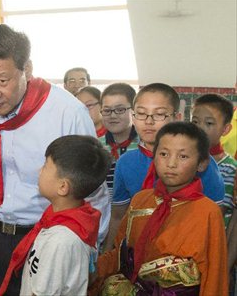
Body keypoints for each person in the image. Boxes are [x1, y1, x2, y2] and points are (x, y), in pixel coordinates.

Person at [0, 24, 109, 295]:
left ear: (27, 70)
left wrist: (88, 249)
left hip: (48, 240)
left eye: (2, 81)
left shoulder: (67, 112)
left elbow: (92, 187)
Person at [94, 122, 228, 295]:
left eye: (183, 157)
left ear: (202, 164)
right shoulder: (141, 200)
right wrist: (92, 271)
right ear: (154, 156)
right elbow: (120, 255)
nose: (171, 163)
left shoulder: (207, 212)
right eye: (164, 154)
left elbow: (214, 275)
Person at [107, 83, 225, 250]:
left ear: (177, 117)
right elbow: (118, 217)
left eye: (159, 114)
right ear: (132, 117)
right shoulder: (126, 162)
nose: (149, 121)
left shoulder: (201, 163)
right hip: (137, 252)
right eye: (141, 113)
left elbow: (214, 223)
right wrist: (107, 257)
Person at [0, 135, 111, 296]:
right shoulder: (72, 219)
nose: (39, 170)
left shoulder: (60, 242)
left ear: (63, 187)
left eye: (45, 166)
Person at [98, 83, 139, 251]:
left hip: (136, 225)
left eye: (120, 109)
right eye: (107, 110)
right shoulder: (96, 146)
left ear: (133, 111)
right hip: (102, 224)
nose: (112, 115)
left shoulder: (145, 147)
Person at [192, 93, 236, 226]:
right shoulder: (182, 160)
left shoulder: (231, 168)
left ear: (225, 129)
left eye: (209, 123)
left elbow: (218, 212)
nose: (199, 128)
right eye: (195, 121)